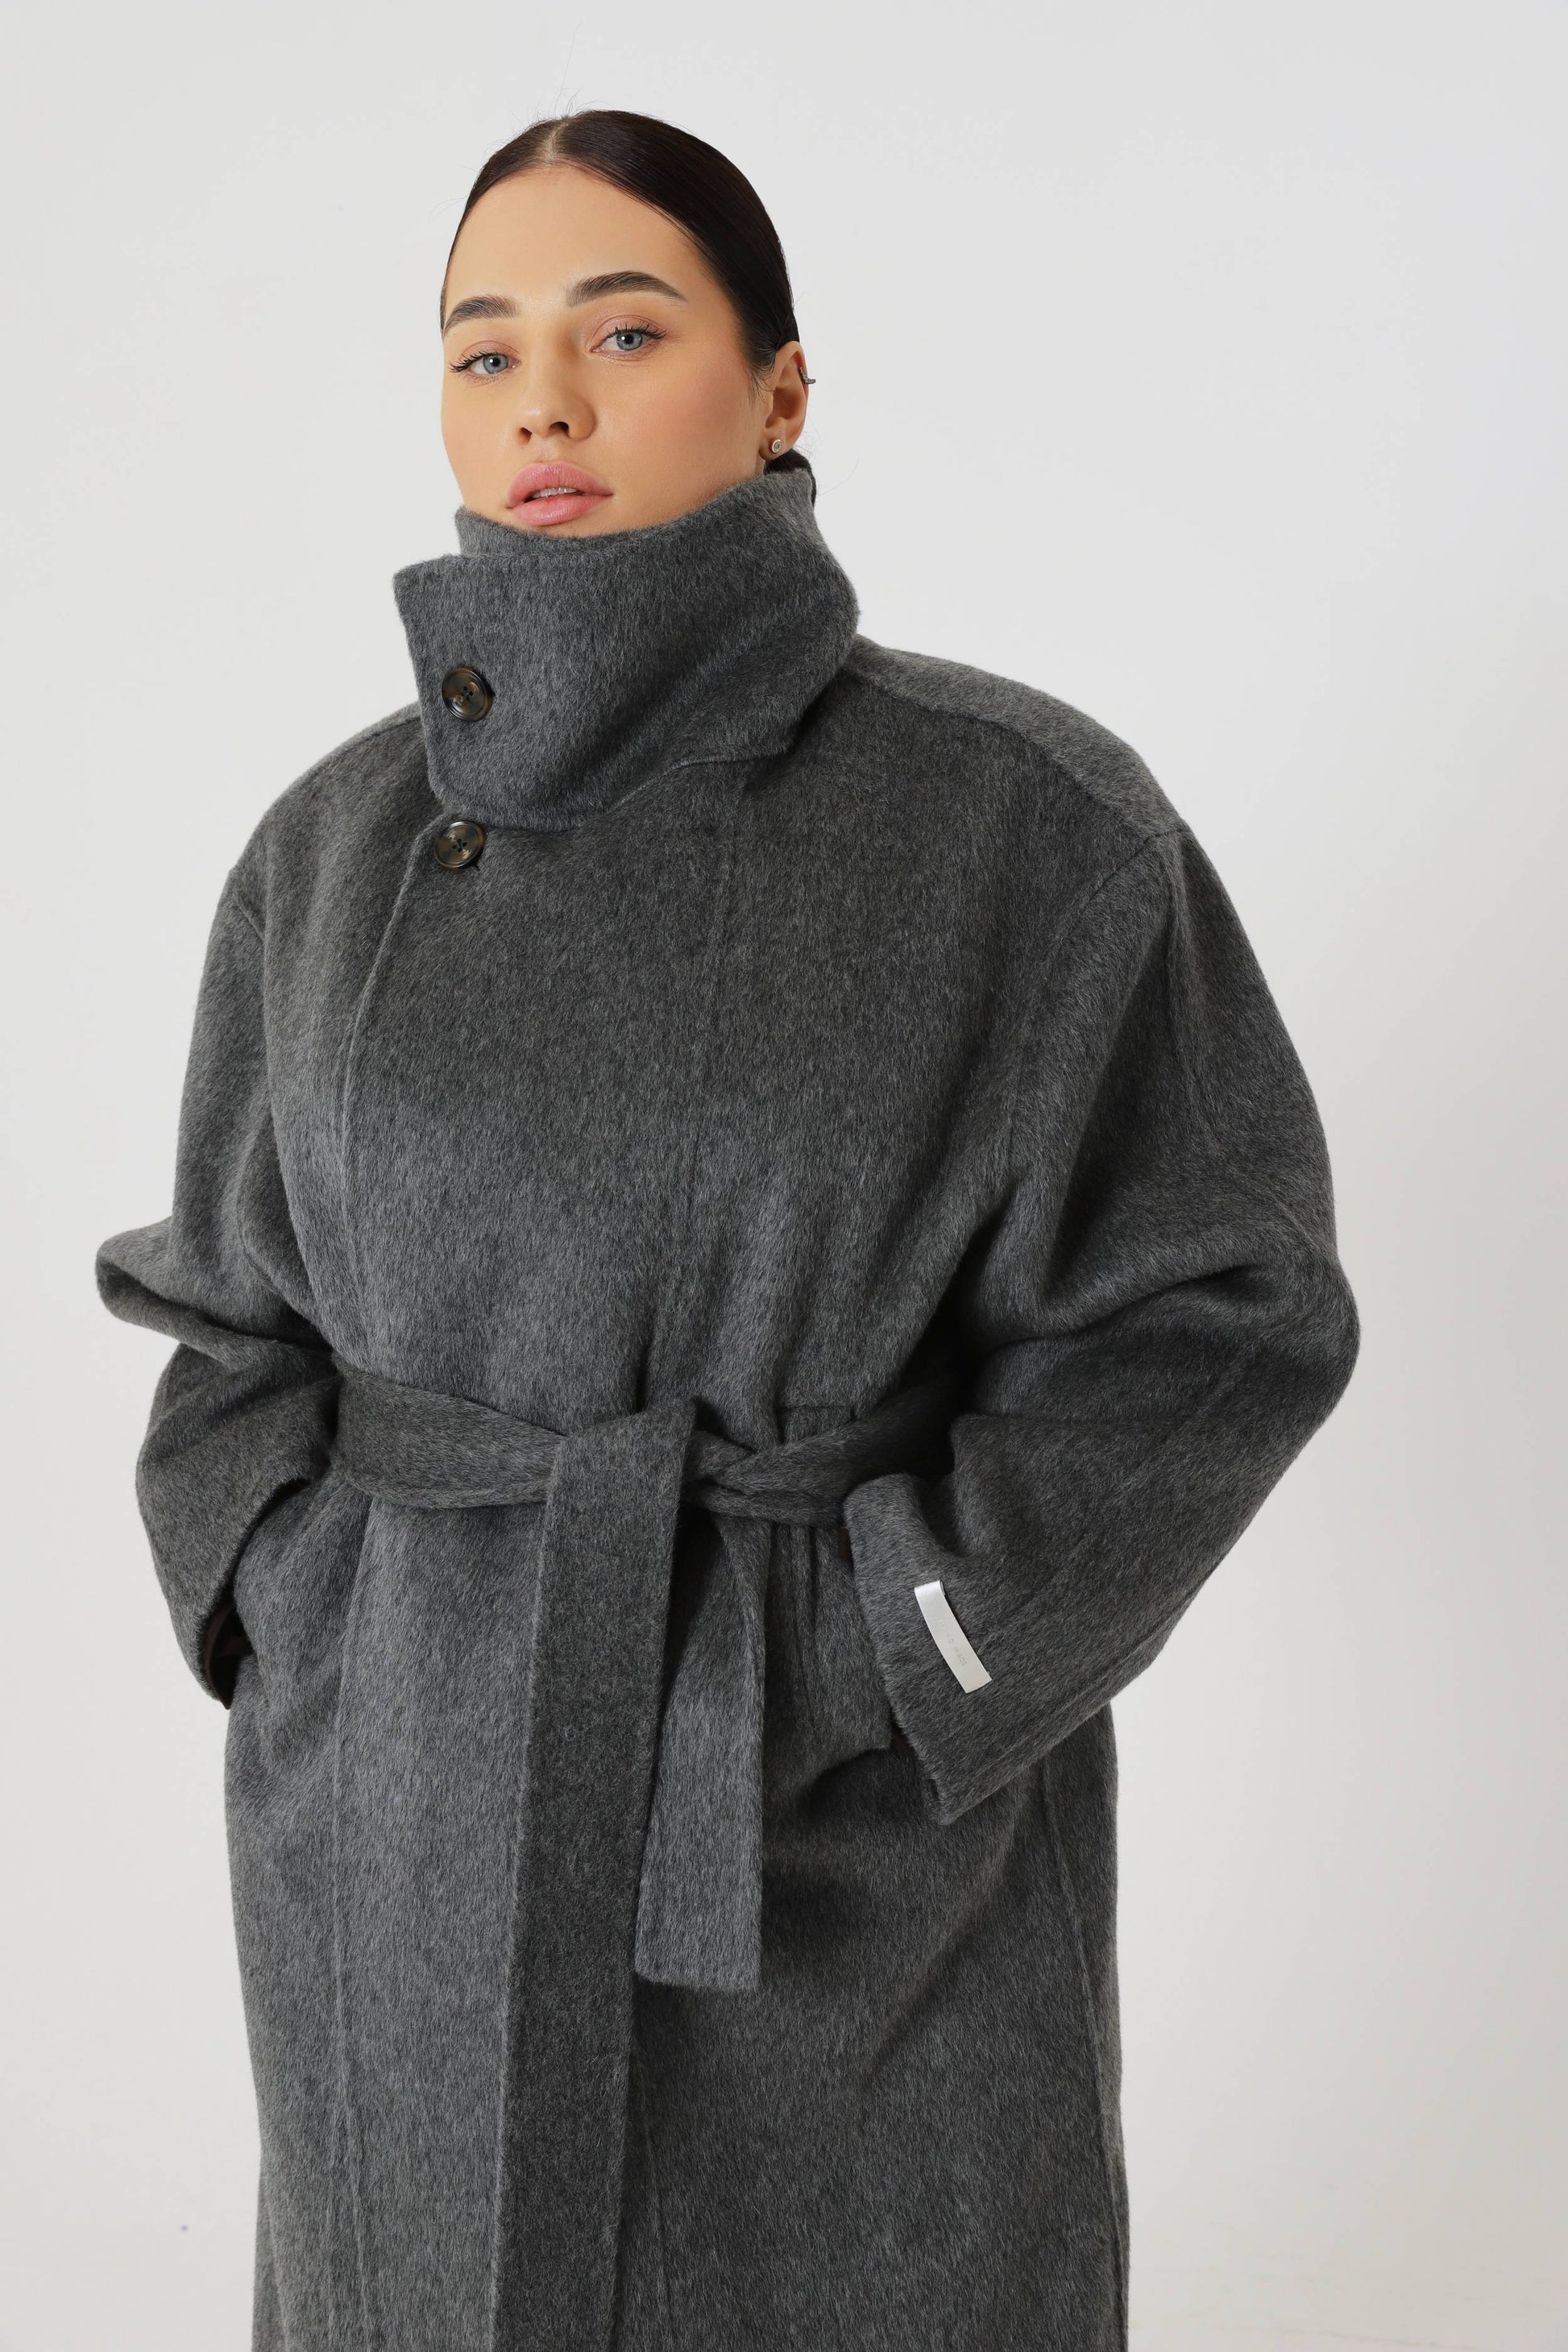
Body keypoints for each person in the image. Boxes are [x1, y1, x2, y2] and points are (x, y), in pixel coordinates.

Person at [94, 106, 1361, 2352]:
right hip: (402, 1818)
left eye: (622, 331)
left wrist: (883, 1652)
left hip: (835, 1845)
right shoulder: (331, 850)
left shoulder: (1019, 825)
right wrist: (284, 1602)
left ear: (779, 389)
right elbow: (225, 1317)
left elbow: (1218, 1313)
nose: (543, 405)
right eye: (482, 350)